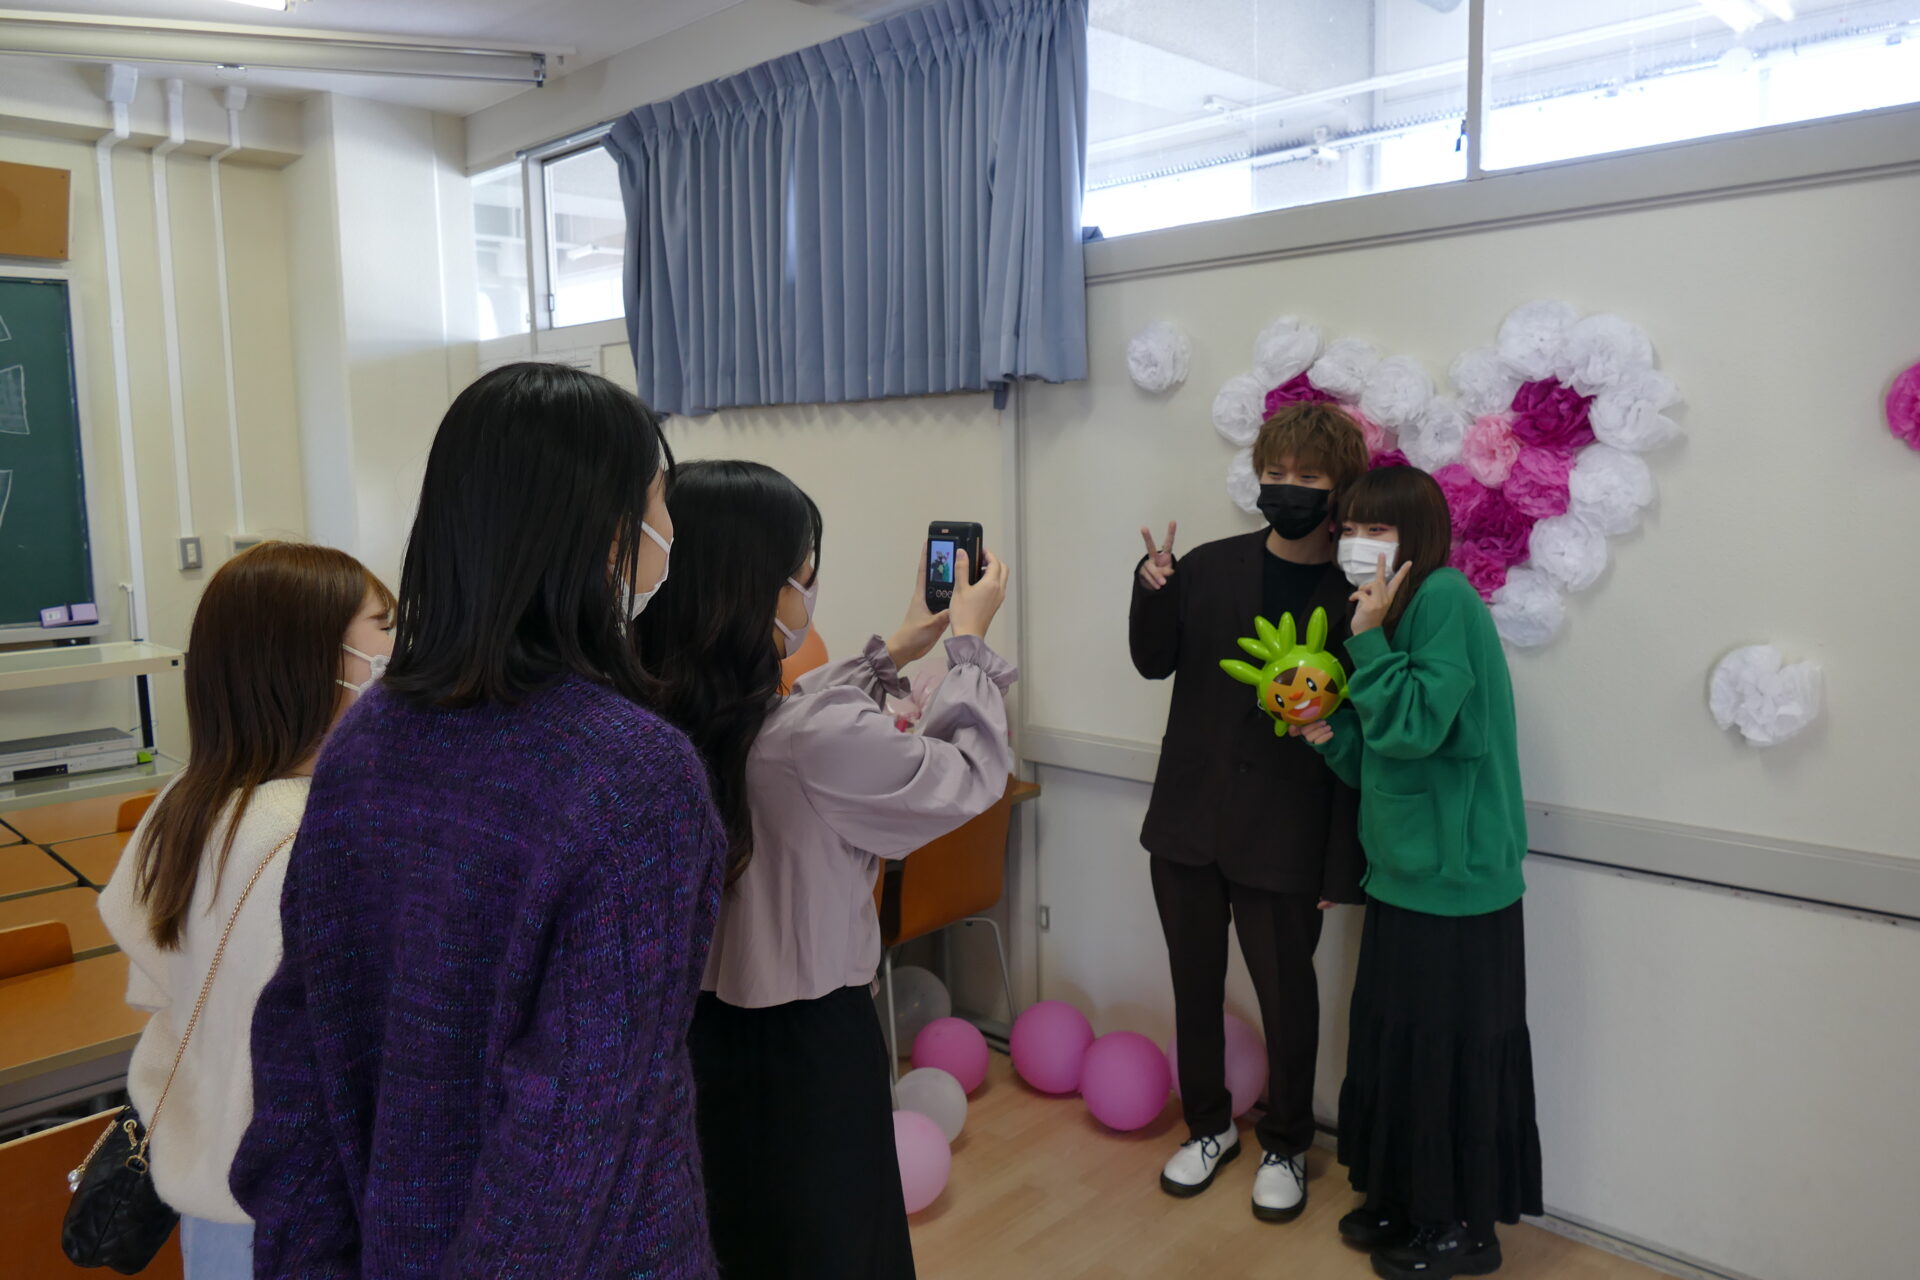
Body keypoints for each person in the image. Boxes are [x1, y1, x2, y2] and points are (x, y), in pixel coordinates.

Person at [230, 364, 729, 1278]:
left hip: (389, 1241)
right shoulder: (635, 780)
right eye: (658, 500)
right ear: (604, 532)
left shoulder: (364, 744)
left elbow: (297, 1051)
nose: (668, 528)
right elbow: (572, 1134)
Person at [635, 460, 1015, 1280]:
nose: (808, 584)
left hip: (691, 1036)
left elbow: (797, 713)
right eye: (801, 568)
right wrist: (970, 648)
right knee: (833, 1240)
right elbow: (969, 773)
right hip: (807, 1048)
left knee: (733, 1236)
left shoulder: (656, 713)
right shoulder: (810, 740)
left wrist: (898, 647)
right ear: (758, 590)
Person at [98, 541, 394, 1280]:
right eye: (384, 626)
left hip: (207, 1193)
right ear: (314, 658)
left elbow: (154, 987)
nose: (400, 649)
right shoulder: (316, 834)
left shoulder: (187, 803)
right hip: (294, 1214)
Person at [1295, 464, 1543, 1279]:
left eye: (1379, 529)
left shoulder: (1442, 599)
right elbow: (1386, 759)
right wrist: (1328, 734)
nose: (1358, 544)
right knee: (1395, 1043)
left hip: (1459, 883)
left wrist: (1365, 640)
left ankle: (1461, 1227)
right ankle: (1401, 1197)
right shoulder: (1390, 611)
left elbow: (1415, 727)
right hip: (1403, 875)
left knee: (1446, 1053)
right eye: (1350, 529)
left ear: (1419, 537)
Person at [1130, 402, 1370, 1223]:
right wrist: (1150, 588)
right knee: (1193, 986)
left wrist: (1341, 865)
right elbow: (1153, 661)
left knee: (1287, 997)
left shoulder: (1356, 597)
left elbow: (1359, 738)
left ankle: (1287, 1143)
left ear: (1338, 488)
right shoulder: (1207, 565)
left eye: (1306, 476)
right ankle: (1207, 1127)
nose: (1285, 487)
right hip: (1188, 822)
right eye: (1274, 472)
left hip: (1289, 835)